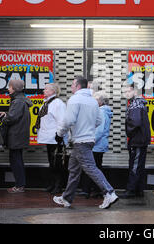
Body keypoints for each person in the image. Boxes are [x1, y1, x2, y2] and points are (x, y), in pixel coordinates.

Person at [53, 76, 118, 209]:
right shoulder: (93, 101)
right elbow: (99, 121)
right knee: (74, 169)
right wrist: (87, 127)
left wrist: (59, 134)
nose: (70, 87)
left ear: (77, 86)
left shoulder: (75, 99)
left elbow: (68, 120)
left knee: (90, 167)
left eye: (72, 84)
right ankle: (67, 198)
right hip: (87, 140)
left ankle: (109, 192)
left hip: (80, 141)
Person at [0, 79, 32, 194]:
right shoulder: (21, 100)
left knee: (16, 161)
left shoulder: (17, 101)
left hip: (16, 136)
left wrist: (4, 118)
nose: (8, 88)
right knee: (17, 160)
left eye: (10, 86)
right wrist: (6, 114)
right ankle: (20, 184)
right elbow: (14, 115)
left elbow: (12, 118)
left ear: (14, 88)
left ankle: (19, 185)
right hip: (18, 135)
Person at [79, 91, 113, 198]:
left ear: (100, 102)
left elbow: (99, 131)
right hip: (99, 145)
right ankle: (96, 190)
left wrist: (90, 142)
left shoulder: (101, 112)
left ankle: (88, 190)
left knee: (91, 168)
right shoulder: (102, 111)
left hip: (96, 145)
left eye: (95, 99)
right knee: (96, 167)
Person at [120, 85, 151, 199]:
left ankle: (131, 190)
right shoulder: (139, 103)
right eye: (125, 91)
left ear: (135, 92)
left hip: (137, 140)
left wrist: (129, 132)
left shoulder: (135, 104)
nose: (127, 93)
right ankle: (138, 189)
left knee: (135, 165)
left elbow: (136, 122)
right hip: (140, 139)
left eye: (129, 91)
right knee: (139, 165)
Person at [36, 83, 66, 195]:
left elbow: (62, 120)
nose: (44, 90)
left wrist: (59, 135)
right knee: (51, 162)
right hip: (49, 138)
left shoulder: (58, 104)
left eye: (46, 89)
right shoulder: (47, 103)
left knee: (57, 163)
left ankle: (58, 186)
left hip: (55, 138)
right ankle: (53, 184)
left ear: (53, 91)